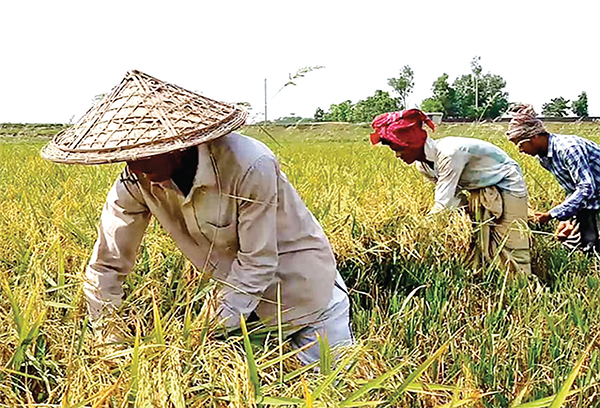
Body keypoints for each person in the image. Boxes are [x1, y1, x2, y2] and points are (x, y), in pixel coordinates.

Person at [41, 70, 353, 364]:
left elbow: (258, 262)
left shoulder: (248, 164)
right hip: (240, 310)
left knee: (327, 388)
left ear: (178, 142)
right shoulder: (136, 179)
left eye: (146, 151)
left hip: (306, 295)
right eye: (127, 155)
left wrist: (199, 331)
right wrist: (109, 339)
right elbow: (106, 264)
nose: (135, 164)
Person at [370, 109, 531, 273]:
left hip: (507, 183)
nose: (397, 155)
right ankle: (487, 279)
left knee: (511, 242)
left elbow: (443, 203)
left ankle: (524, 286)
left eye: (400, 148)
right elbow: (454, 198)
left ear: (412, 143)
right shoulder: (423, 166)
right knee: (483, 241)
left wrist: (419, 229)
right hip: (480, 189)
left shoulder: (449, 153)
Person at [507, 104, 600, 254]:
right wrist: (567, 219)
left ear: (535, 138)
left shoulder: (568, 149)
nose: (521, 151)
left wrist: (552, 214)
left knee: (591, 247)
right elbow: (572, 189)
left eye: (520, 145)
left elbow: (586, 187)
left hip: (595, 198)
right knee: (573, 247)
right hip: (591, 202)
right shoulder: (544, 158)